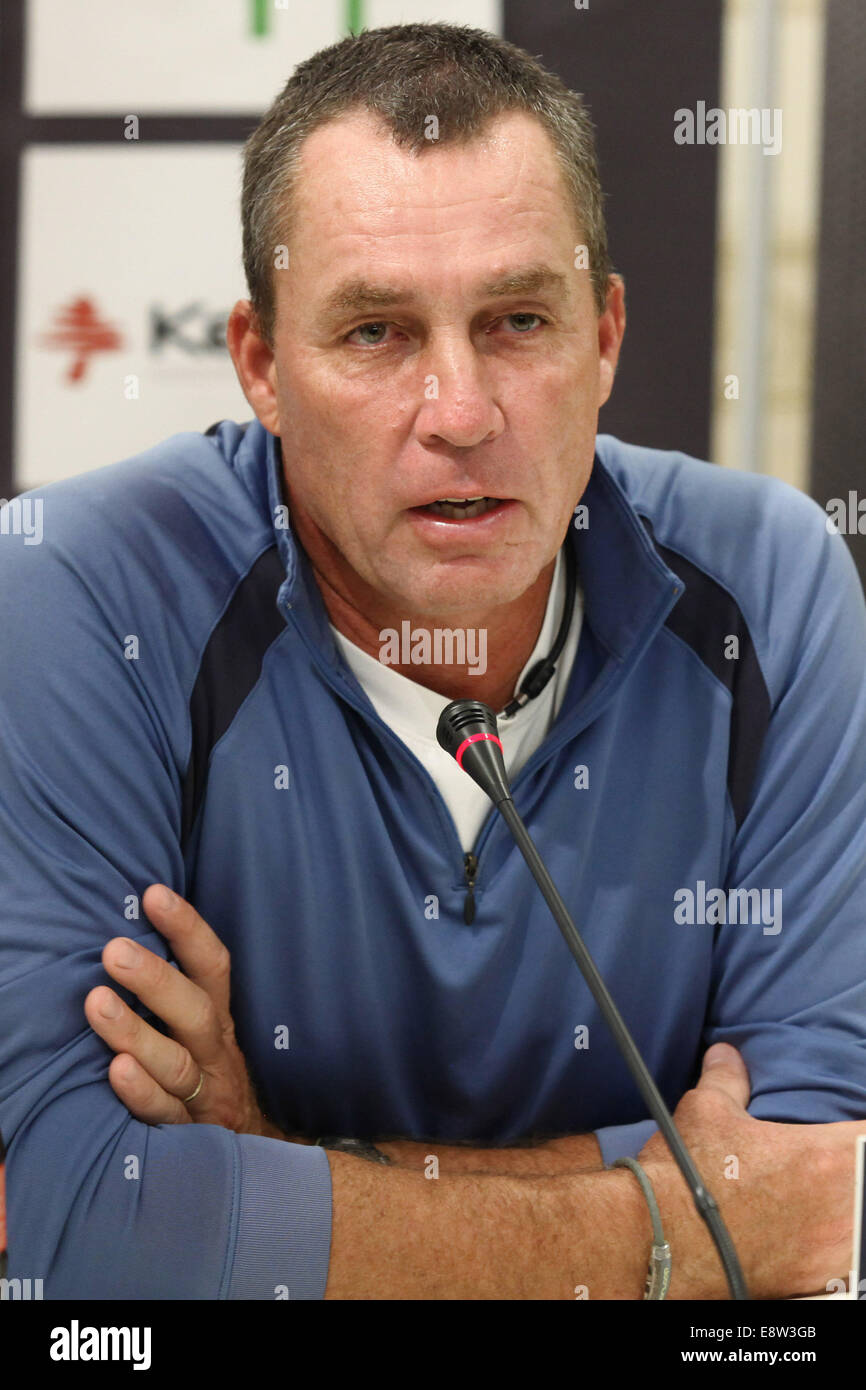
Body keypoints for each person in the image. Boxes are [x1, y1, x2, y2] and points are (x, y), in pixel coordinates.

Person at [1, 22, 864, 1302]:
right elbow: (74, 1222)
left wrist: (267, 1166)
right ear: (260, 365)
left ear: (607, 335)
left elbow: (818, 1175)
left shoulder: (771, 585)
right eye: (375, 334)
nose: (458, 412)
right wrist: (674, 1219)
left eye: (517, 320)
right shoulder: (77, 587)